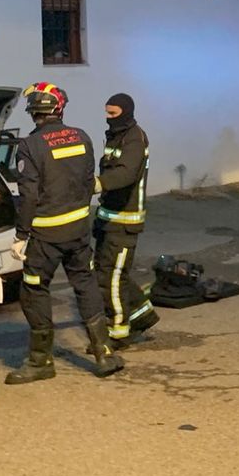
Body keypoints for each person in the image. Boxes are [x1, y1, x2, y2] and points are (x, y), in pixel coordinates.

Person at [5, 82, 124, 384]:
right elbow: (87, 182)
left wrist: (21, 235)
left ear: (33, 111)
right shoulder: (81, 137)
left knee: (34, 290)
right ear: (60, 108)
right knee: (85, 284)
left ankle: (40, 360)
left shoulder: (29, 146)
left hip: (45, 234)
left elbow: (29, 195)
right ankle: (104, 352)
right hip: (78, 229)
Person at [94, 93, 158, 347]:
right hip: (109, 217)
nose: (108, 118)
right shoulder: (117, 135)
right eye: (107, 113)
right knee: (107, 272)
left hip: (125, 221)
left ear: (126, 112)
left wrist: (97, 184)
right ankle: (142, 314)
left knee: (112, 277)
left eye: (113, 114)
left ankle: (118, 333)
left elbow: (125, 173)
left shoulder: (134, 139)